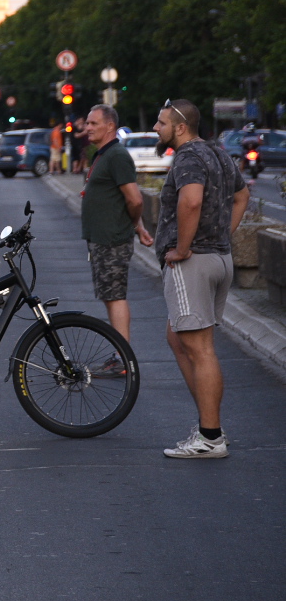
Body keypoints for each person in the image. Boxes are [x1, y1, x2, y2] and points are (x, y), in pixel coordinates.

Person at [152, 99, 249, 460]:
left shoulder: (188, 157)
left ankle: (210, 436)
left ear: (180, 127)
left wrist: (182, 247)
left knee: (200, 347)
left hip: (193, 263)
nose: (156, 129)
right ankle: (210, 426)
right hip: (219, 259)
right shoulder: (218, 153)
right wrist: (224, 236)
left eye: (161, 123)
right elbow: (242, 196)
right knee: (178, 337)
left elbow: (190, 202)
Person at [80, 104, 153, 349]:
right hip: (102, 238)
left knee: (115, 297)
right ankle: (120, 354)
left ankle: (123, 356)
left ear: (110, 126)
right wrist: (139, 226)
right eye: (87, 123)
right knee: (109, 297)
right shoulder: (102, 154)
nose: (87, 127)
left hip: (111, 239)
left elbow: (135, 199)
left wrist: (134, 223)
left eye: (93, 123)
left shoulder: (117, 156)